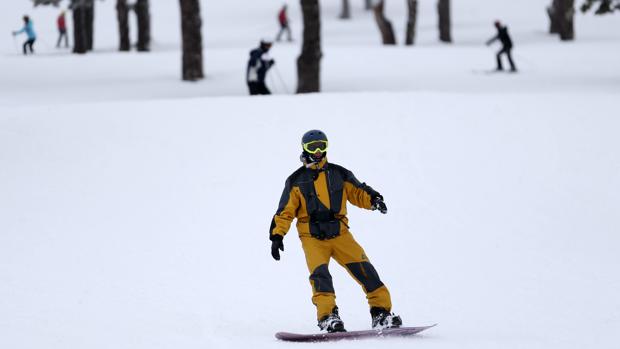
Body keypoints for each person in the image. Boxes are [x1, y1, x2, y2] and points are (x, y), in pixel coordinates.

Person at [269, 130, 402, 333]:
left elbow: (357, 191)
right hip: (312, 237)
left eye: (322, 145)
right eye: (313, 147)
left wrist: (373, 199)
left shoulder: (338, 174)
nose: (318, 151)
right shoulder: (296, 180)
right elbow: (285, 211)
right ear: (304, 148)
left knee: (366, 271)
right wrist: (277, 235)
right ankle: (327, 317)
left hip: (340, 234)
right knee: (320, 276)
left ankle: (381, 313)